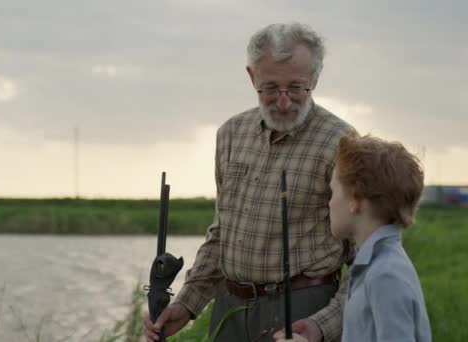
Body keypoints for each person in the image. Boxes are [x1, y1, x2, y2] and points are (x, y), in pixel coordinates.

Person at [144, 22, 356, 342]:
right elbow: (221, 234)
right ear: (251, 76)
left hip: (302, 313)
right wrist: (187, 305)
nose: (283, 101)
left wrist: (321, 326)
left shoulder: (343, 143)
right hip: (228, 312)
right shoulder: (230, 134)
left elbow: (363, 259)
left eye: (296, 88)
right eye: (270, 88)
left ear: (315, 78)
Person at [274, 134, 432, 342]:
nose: (329, 203)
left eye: (333, 192)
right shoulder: (374, 265)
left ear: (355, 200)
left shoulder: (385, 276)